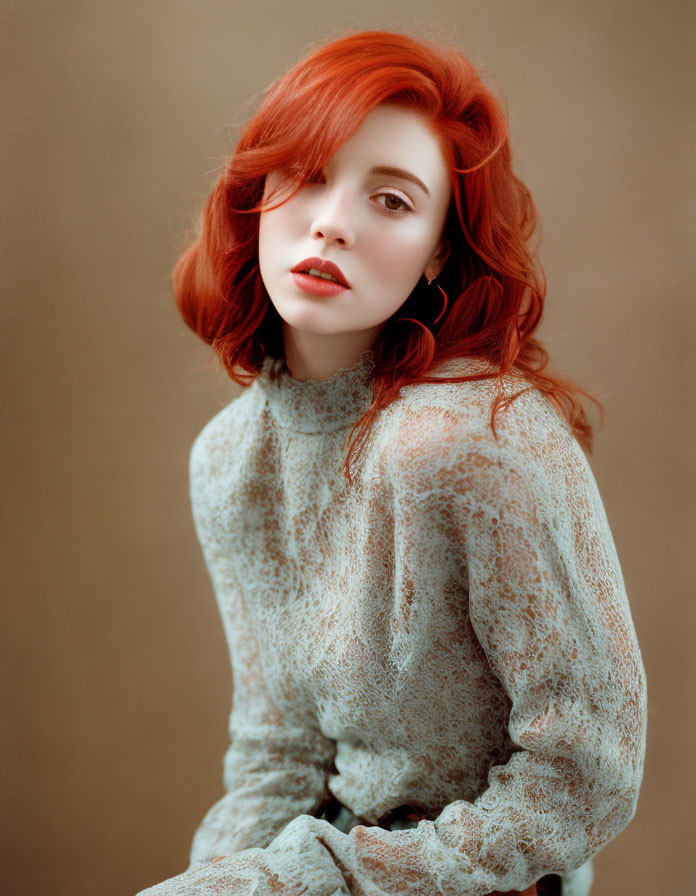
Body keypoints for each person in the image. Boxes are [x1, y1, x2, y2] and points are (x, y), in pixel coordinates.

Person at [137, 28, 647, 896]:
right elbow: (279, 750)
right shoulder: (229, 463)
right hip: (330, 857)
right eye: (306, 174)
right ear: (256, 191)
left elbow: (587, 775)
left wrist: (320, 878)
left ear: (440, 251)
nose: (332, 221)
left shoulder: (468, 444)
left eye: (393, 201)